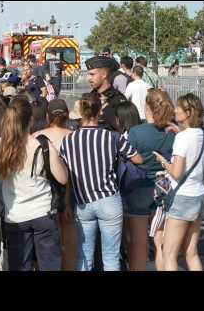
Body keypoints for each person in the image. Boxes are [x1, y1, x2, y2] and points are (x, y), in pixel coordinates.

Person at [60, 93, 143, 271]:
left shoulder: (68, 141)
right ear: (100, 112)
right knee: (111, 258)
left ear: (81, 112)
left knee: (84, 257)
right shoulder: (112, 137)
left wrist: (67, 203)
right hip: (109, 199)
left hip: (83, 202)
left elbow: (66, 176)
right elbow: (137, 159)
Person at [0, 97, 68, 271]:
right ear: (30, 120)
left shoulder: (0, 144)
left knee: (19, 265)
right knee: (49, 264)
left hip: (14, 216)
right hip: (42, 213)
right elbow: (62, 178)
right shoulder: (42, 144)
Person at [153, 93, 204, 271]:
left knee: (169, 254)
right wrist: (179, 132)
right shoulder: (203, 134)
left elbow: (176, 172)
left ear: (188, 112)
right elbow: (192, 145)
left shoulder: (182, 138)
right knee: (191, 252)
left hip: (182, 198)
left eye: (178, 107)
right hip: (199, 195)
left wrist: (163, 161)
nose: (175, 110)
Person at [125, 89, 176, 271]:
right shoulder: (173, 131)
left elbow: (128, 157)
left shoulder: (136, 132)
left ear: (147, 108)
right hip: (164, 185)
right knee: (160, 239)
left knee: (139, 242)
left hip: (140, 186)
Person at [33, 99, 76, 270]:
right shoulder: (73, 135)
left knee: (48, 242)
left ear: (47, 115)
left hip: (44, 192)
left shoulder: (37, 136)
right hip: (71, 189)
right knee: (69, 238)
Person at [86, 56, 127, 131]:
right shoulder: (89, 97)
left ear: (104, 74)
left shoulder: (117, 100)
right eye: (88, 74)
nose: (88, 79)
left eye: (92, 74)